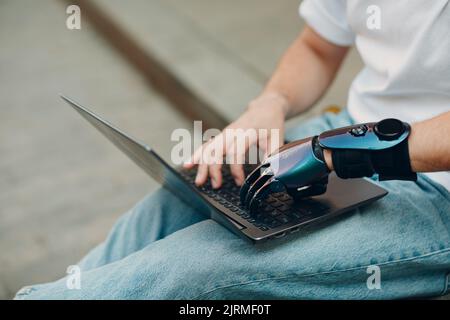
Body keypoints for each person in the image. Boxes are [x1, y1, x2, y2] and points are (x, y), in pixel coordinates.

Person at [16, 0, 450, 299]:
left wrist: (335, 154)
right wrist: (270, 103)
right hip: (349, 132)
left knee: (191, 273)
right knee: (168, 207)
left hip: (436, 190)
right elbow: (318, 47)